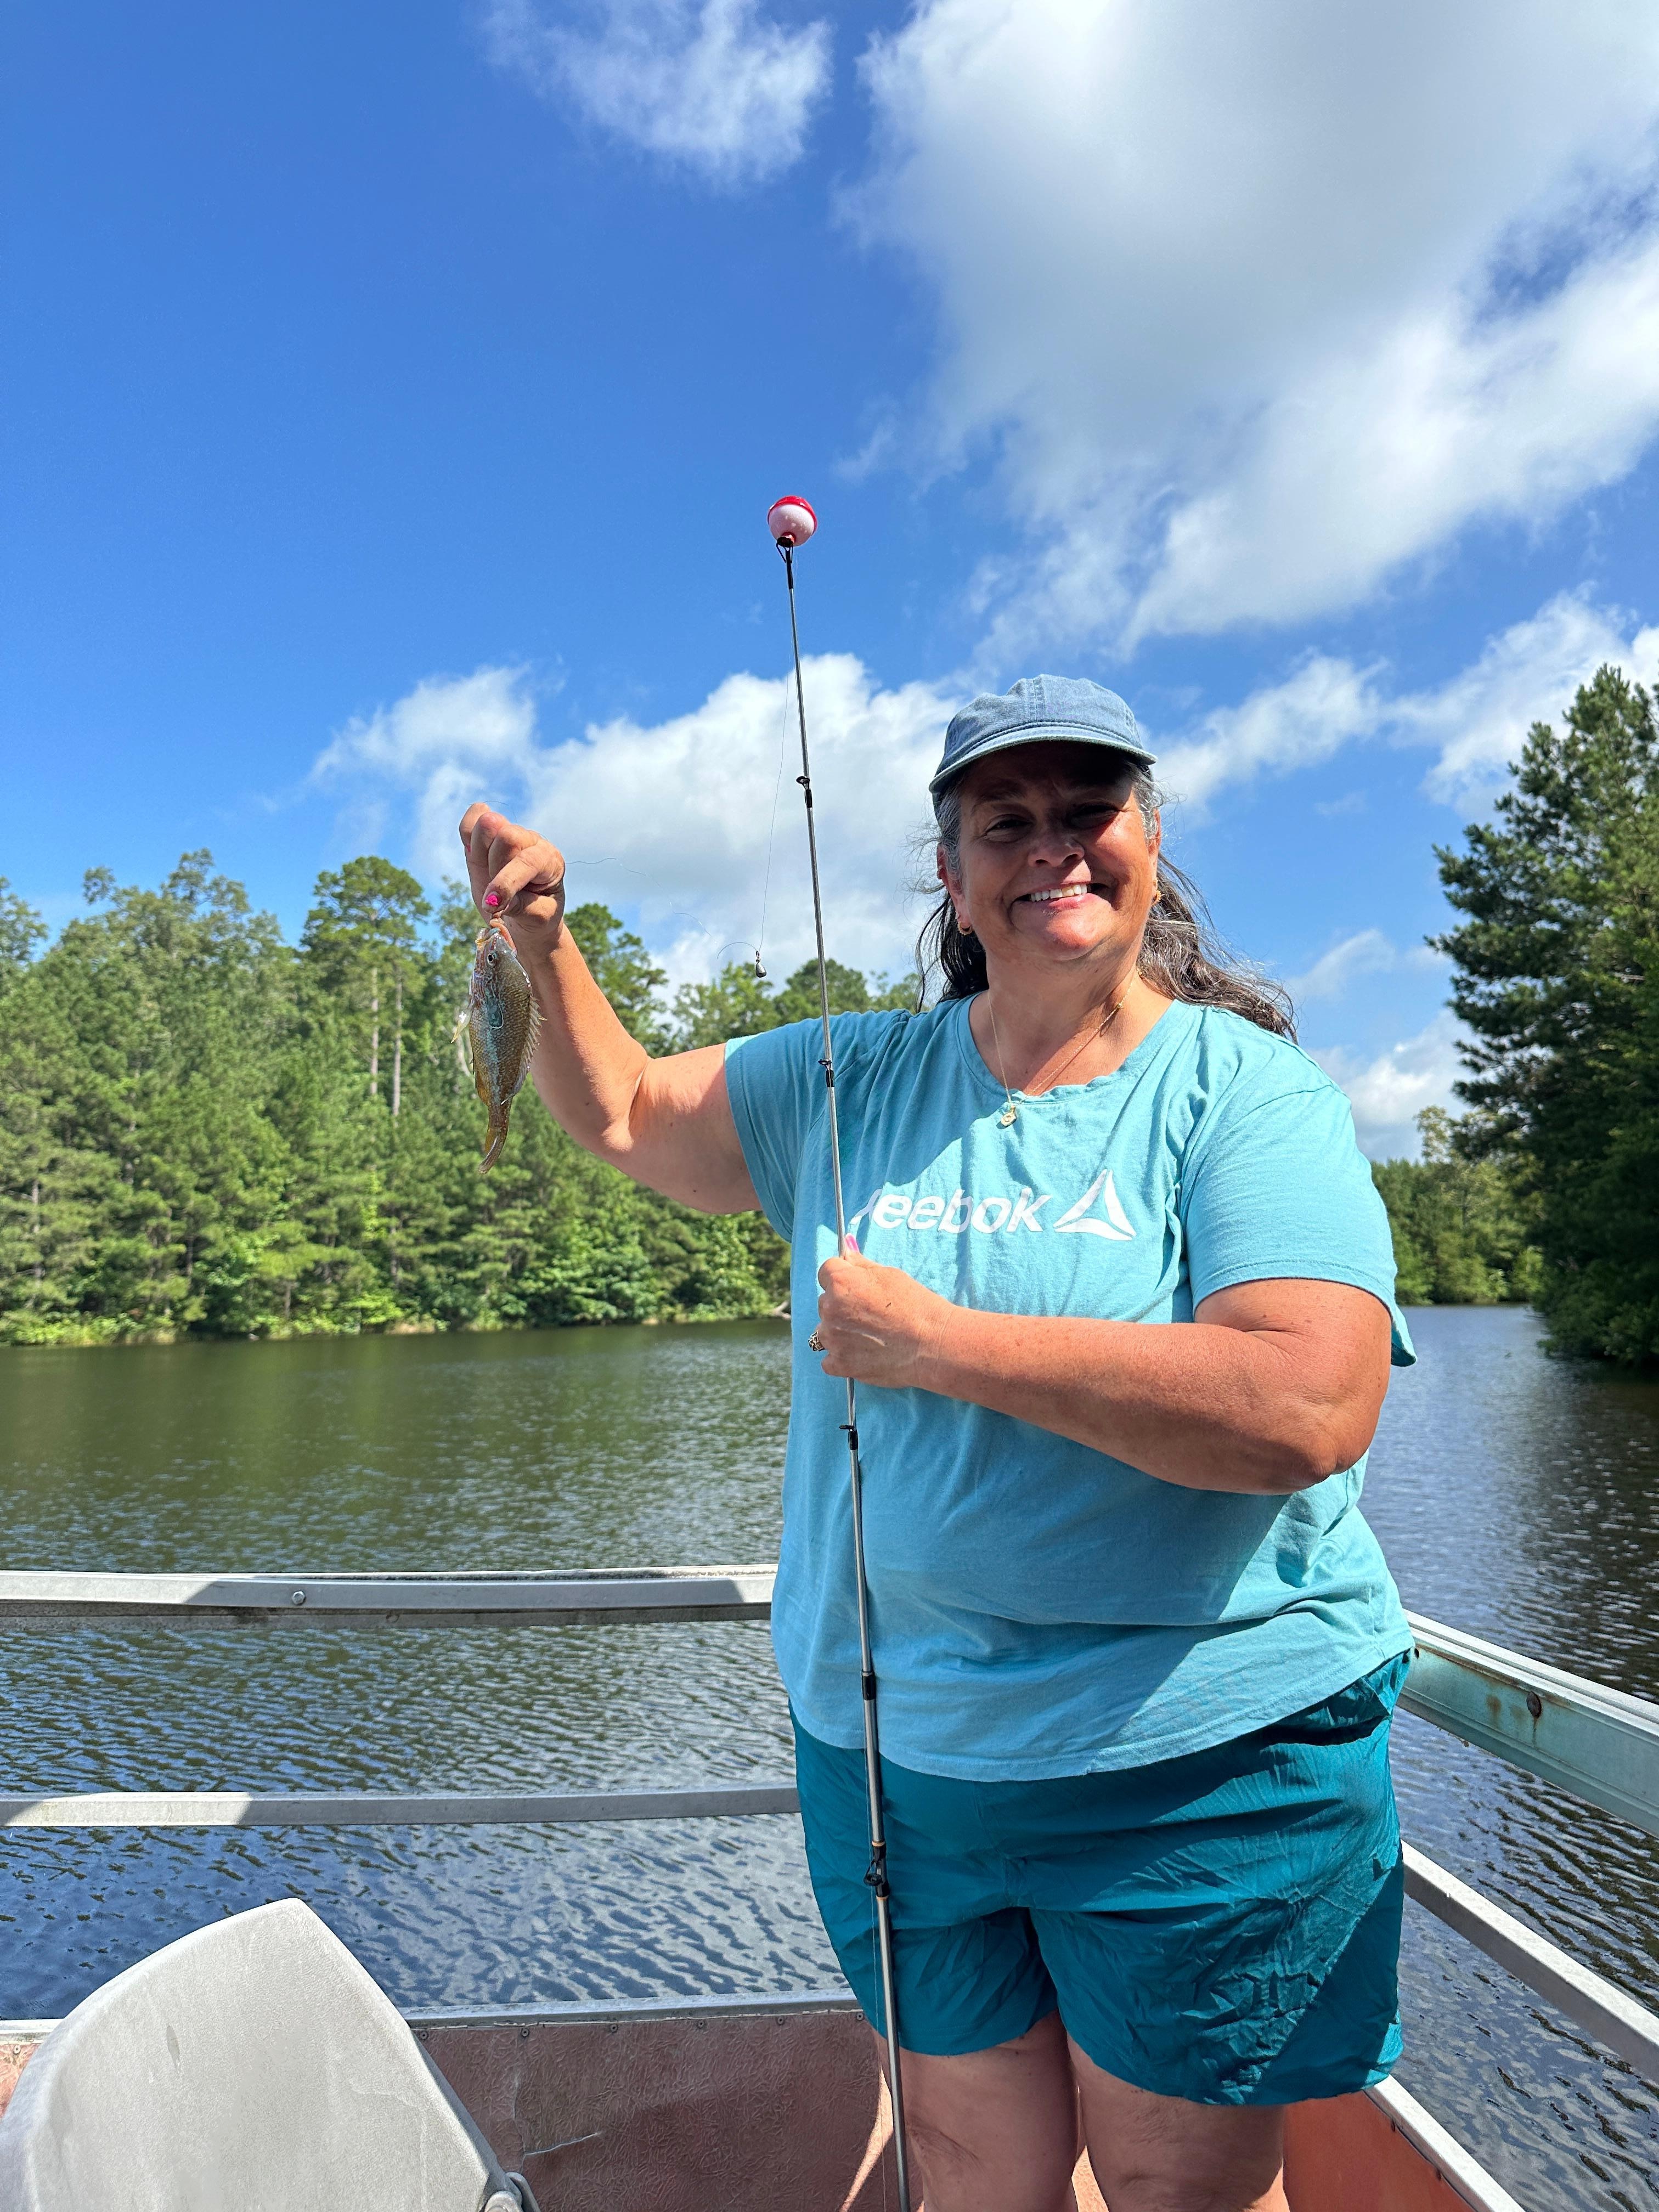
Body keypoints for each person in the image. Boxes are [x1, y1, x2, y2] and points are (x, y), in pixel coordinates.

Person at [458, 674, 1414, 2212]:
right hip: (903, 1768)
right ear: (954, 873)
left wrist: (945, 1348)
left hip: (1193, 1766)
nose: (1055, 849)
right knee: (971, 2167)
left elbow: (1305, 1406)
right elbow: (632, 1109)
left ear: (1150, 842)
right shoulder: (851, 1077)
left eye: (1088, 813)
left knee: (1180, 2188)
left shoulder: (1246, 1095)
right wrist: (541, 943)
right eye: (1006, 821)